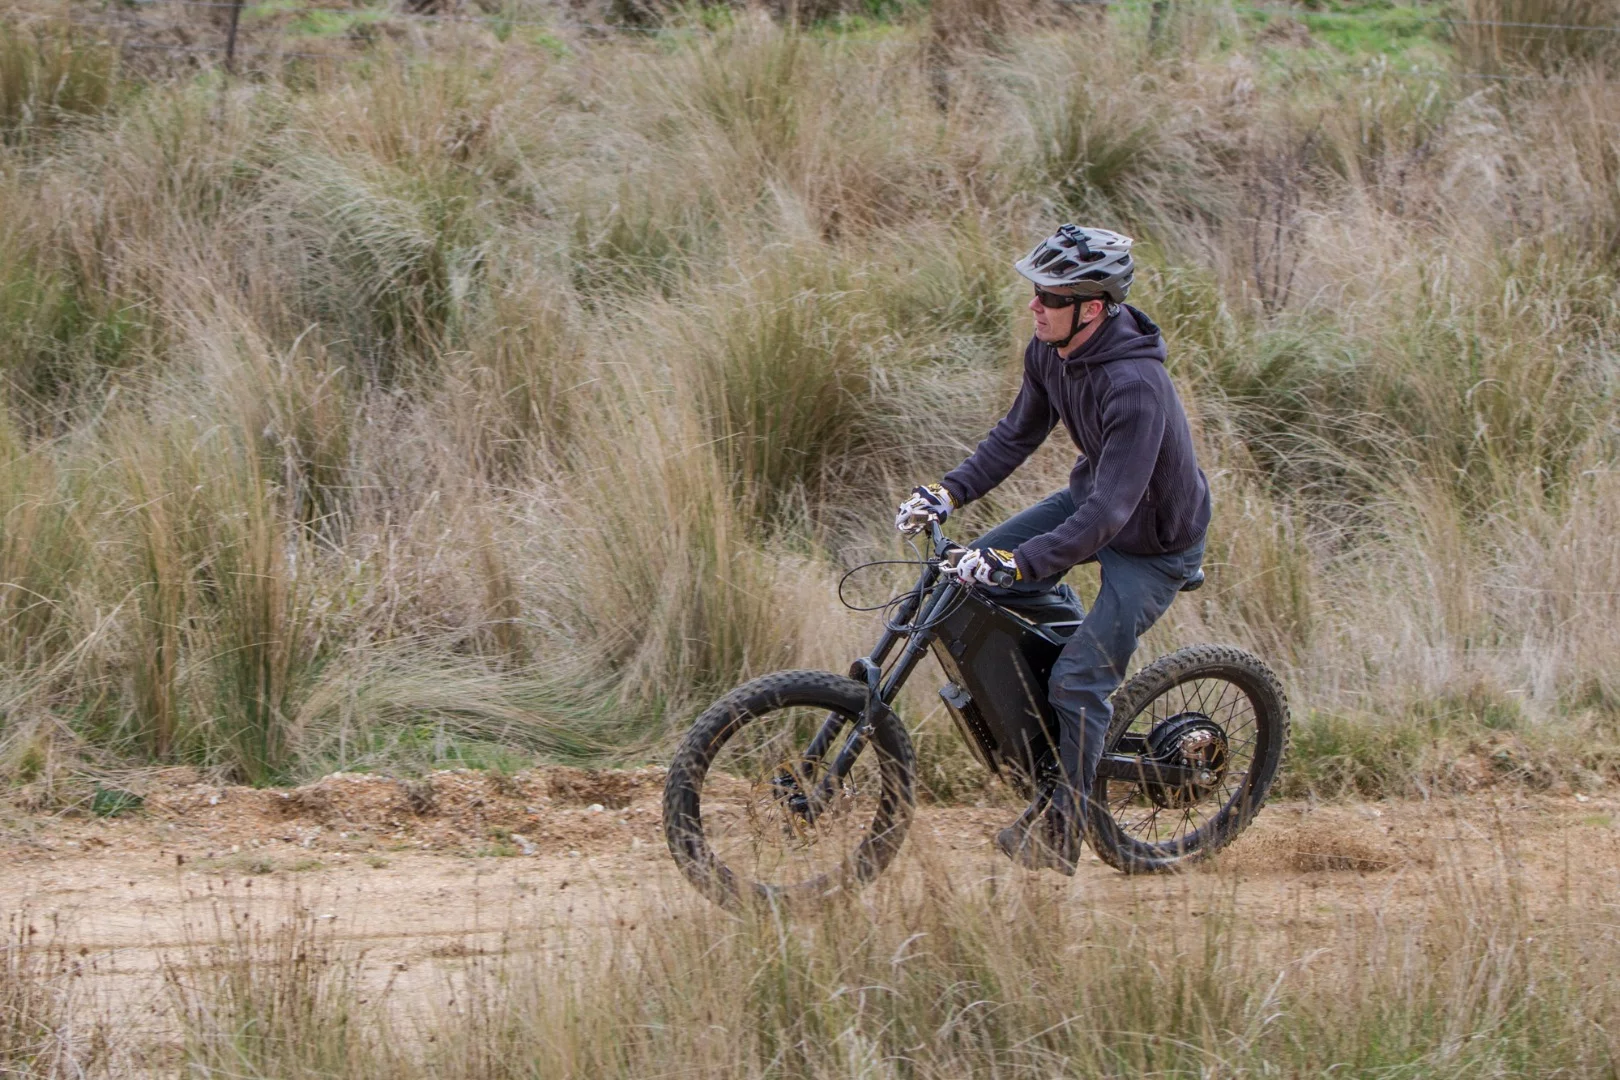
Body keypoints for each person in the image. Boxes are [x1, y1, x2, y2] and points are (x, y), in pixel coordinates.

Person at [894, 224, 1211, 875]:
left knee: (1078, 678)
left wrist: (1020, 562)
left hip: (1152, 543)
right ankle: (1058, 703)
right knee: (962, 587)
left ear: (1090, 308)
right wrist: (947, 494)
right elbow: (1016, 436)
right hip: (1093, 505)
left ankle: (1063, 825)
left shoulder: (1136, 388)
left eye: (1049, 297)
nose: (1034, 306)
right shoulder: (1051, 351)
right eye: (1035, 293)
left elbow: (1110, 514)